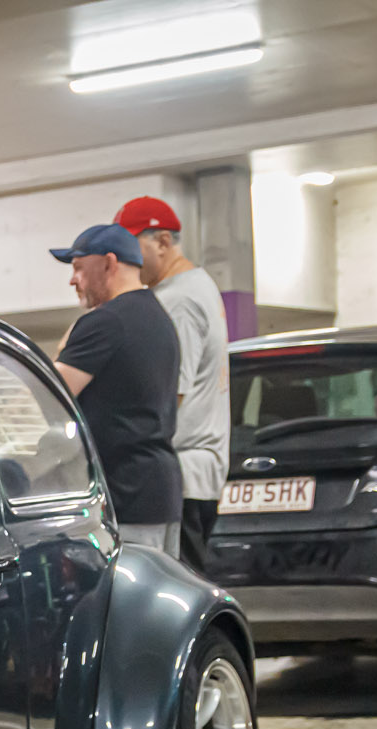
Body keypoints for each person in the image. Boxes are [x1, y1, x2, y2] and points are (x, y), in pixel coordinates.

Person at [49, 223, 183, 555]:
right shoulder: (159, 318)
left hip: (124, 496)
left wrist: (65, 345)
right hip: (159, 492)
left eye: (79, 267)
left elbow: (50, 397)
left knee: (121, 587)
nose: (72, 280)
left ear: (108, 263)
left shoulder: (106, 321)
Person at [114, 196, 229, 571]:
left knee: (177, 591)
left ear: (163, 241)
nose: (126, 259)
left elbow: (167, 394)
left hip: (184, 474)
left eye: (133, 246)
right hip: (196, 473)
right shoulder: (199, 285)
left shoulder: (178, 300)